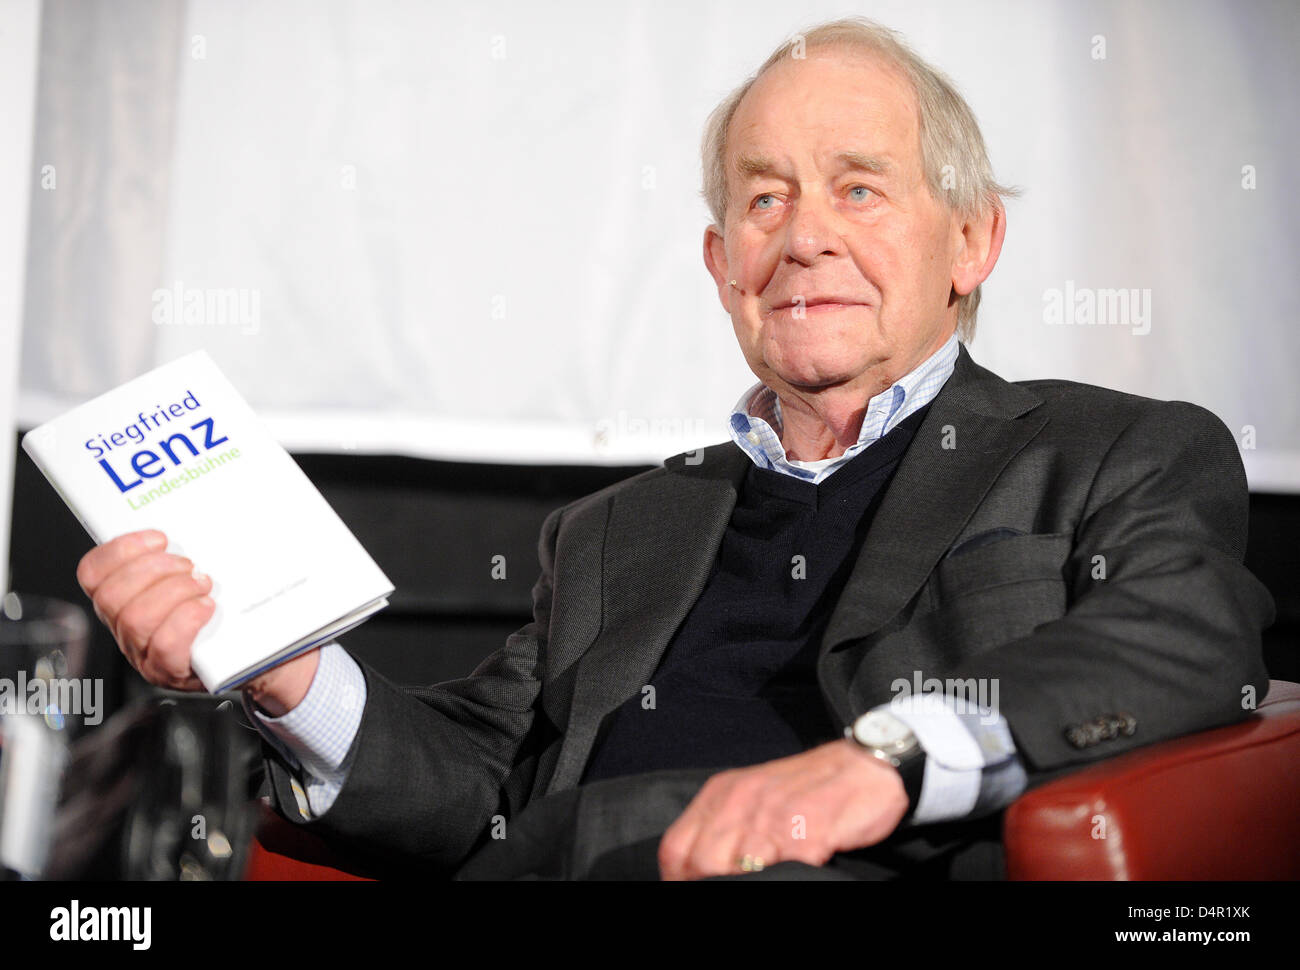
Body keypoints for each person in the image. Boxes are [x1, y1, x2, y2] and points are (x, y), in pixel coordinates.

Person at [75, 17, 1273, 880]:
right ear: (720, 269)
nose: (803, 237)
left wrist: (883, 759)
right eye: (763, 199)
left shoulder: (1113, 449)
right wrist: (283, 670)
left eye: (859, 190)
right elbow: (481, 794)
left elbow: (1193, 638)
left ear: (972, 241)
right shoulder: (613, 532)